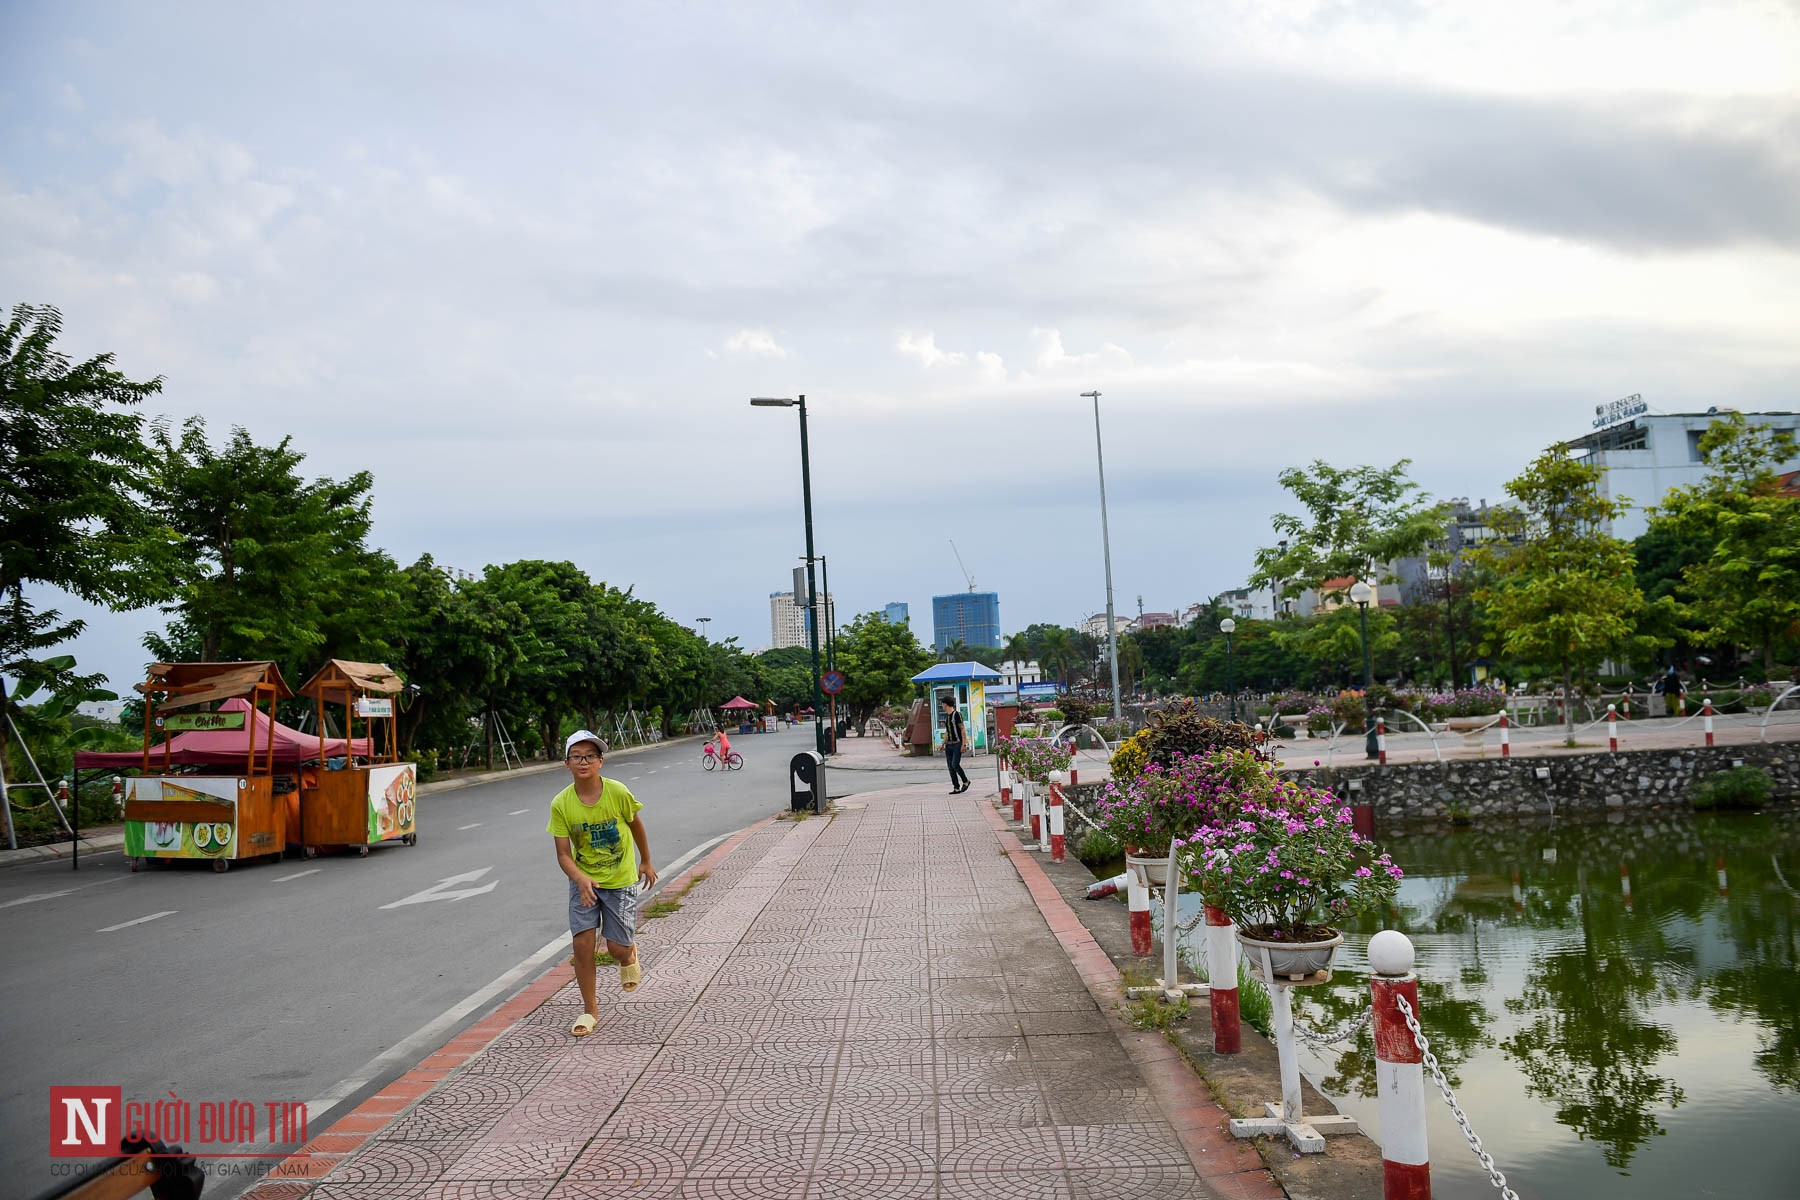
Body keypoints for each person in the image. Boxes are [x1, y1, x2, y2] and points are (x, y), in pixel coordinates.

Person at [549, 730, 658, 1037]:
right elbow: (562, 853)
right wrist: (580, 878)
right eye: (576, 756)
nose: (583, 761)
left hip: (620, 881)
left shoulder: (617, 792)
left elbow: (636, 824)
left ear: (600, 762)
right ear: (566, 763)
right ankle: (589, 1010)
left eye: (589, 756)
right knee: (582, 946)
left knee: (616, 948)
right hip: (584, 882)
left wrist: (646, 860)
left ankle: (629, 953)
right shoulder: (561, 804)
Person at [941, 695, 971, 794]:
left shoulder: (957, 714)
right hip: (949, 745)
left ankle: (965, 781)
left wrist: (964, 744)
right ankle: (956, 787)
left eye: (942, 704)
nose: (942, 706)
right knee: (950, 767)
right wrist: (942, 744)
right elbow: (947, 732)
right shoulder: (947, 717)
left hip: (957, 744)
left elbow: (962, 729)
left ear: (945, 704)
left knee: (955, 764)